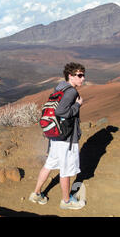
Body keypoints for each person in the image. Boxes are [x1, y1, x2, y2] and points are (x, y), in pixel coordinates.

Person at [29, 62, 86, 210]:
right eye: (79, 75)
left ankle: (36, 193)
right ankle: (66, 201)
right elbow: (61, 111)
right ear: (70, 76)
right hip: (66, 138)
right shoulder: (71, 92)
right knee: (66, 170)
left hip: (55, 136)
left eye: (83, 75)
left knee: (49, 165)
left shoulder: (59, 88)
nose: (83, 78)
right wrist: (77, 105)